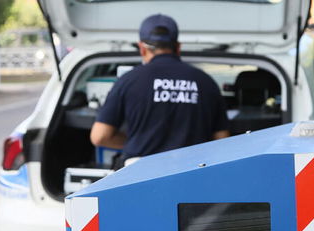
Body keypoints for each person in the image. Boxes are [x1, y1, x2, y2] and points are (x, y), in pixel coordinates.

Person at [89, 14, 230, 168]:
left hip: (138, 176)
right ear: (178, 47)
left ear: (142, 48)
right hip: (192, 174)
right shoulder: (206, 82)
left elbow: (100, 137)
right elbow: (222, 140)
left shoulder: (128, 81)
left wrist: (136, 142)